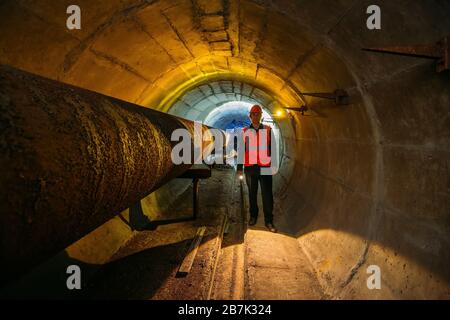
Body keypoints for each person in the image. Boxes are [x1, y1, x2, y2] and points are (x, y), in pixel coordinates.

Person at [236, 104, 277, 233]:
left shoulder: (268, 130)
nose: (255, 116)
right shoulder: (244, 132)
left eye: (257, 114)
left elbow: (273, 149)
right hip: (250, 168)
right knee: (252, 194)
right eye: (253, 114)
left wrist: (274, 165)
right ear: (250, 116)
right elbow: (241, 150)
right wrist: (239, 168)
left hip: (265, 168)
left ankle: (269, 220)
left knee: (267, 195)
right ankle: (253, 216)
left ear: (260, 116)